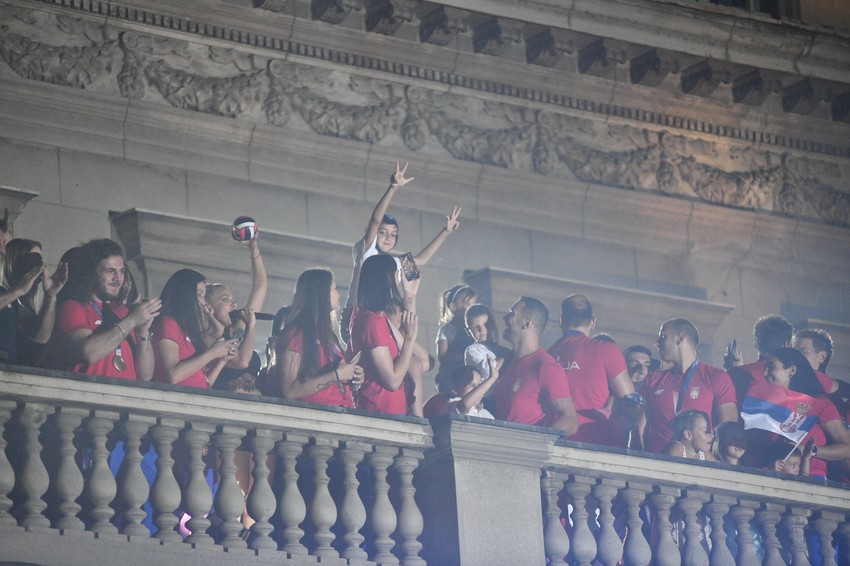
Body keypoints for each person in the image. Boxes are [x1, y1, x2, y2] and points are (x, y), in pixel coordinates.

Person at [342, 161, 461, 334]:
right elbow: (375, 220)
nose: (388, 238)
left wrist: (446, 231)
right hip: (355, 316)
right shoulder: (366, 251)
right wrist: (393, 187)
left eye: (393, 234)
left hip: (379, 320)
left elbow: (421, 260)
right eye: (383, 233)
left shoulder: (394, 262)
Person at [42, 239, 160, 380]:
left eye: (122, 271)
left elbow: (145, 375)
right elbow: (90, 353)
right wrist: (132, 320)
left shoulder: (124, 312)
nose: (118, 279)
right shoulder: (73, 307)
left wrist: (143, 332)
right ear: (92, 272)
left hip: (125, 393)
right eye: (110, 271)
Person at [548, 295, 642, 446]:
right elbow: (630, 401)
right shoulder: (605, 350)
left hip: (555, 442)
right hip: (595, 443)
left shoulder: (547, 356)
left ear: (561, 320)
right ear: (593, 321)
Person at [644, 318, 738, 453]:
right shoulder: (653, 379)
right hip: (658, 460)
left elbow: (729, 429)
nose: (657, 343)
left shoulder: (716, 377)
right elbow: (640, 426)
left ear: (680, 338)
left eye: (663, 337)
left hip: (698, 462)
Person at [271, 269, 363, 407]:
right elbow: (290, 391)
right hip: (315, 414)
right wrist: (337, 375)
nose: (338, 294)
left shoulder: (329, 336)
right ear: (322, 293)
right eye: (334, 288)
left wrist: (352, 377)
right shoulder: (295, 334)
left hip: (341, 412)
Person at [755, 348, 850, 479]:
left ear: (792, 370)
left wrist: (809, 450)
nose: (765, 373)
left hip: (813, 482)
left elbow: (847, 449)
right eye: (765, 368)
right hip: (771, 481)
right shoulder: (764, 406)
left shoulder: (819, 404)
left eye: (771, 367)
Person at [493, 297, 578, 436]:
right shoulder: (506, 361)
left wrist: (538, 443)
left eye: (512, 313)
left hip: (523, 448)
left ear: (526, 323)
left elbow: (570, 420)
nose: (505, 318)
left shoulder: (546, 367)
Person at [348, 254, 420, 415]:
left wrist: (410, 296)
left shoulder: (376, 317)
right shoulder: (372, 321)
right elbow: (392, 381)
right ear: (386, 280)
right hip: (379, 412)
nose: (399, 279)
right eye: (396, 274)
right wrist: (410, 338)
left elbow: (408, 354)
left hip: (391, 412)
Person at [152, 268, 239, 389]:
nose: (203, 302)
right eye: (199, 294)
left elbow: (205, 383)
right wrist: (213, 352)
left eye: (203, 295)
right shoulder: (168, 323)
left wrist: (222, 360)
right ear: (184, 294)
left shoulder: (188, 329)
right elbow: (173, 376)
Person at [204, 236, 268, 393]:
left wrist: (253, 249)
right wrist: (250, 328)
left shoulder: (238, 328)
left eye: (234, 300)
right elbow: (242, 361)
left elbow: (260, 286)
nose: (233, 304)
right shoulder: (206, 338)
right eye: (225, 300)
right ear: (208, 307)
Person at [0, 239, 68, 365]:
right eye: (34, 261)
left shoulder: (20, 305)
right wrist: (17, 291)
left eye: (41, 262)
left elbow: (40, 338)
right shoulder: (5, 293)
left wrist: (50, 296)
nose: (41, 268)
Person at [727, 315, 794, 407]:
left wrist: (735, 371)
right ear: (787, 344)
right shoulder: (796, 377)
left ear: (756, 344)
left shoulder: (736, 374)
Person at [423, 358, 500, 419]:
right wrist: (491, 379)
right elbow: (464, 405)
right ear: (455, 389)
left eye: (479, 386)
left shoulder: (487, 415)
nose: (477, 390)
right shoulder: (450, 405)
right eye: (471, 385)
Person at [434, 284, 477, 392]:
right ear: (453, 307)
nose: (471, 308)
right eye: (468, 304)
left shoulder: (473, 329)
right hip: (450, 376)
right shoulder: (446, 330)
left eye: (473, 304)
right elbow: (443, 356)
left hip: (469, 376)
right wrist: (465, 357)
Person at [463, 303, 511, 381]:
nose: (482, 330)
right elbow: (487, 371)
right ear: (468, 331)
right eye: (476, 327)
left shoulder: (503, 350)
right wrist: (504, 359)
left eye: (486, 324)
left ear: (493, 324)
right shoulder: (472, 351)